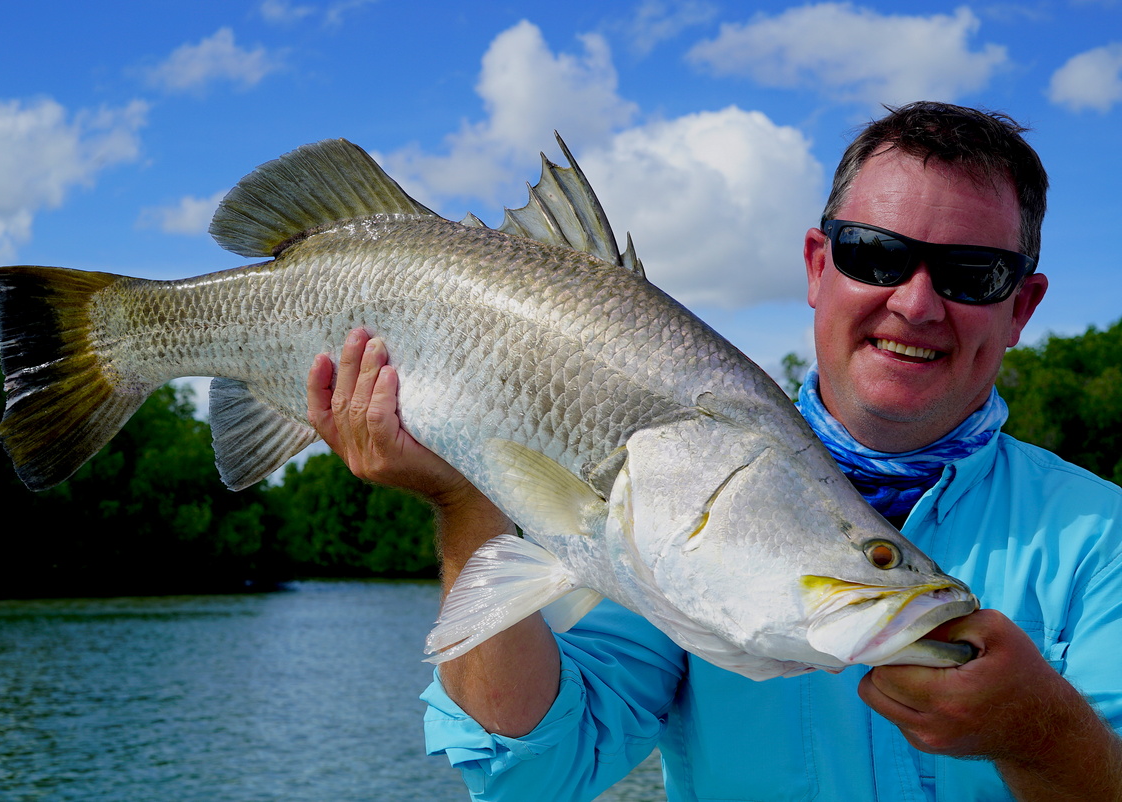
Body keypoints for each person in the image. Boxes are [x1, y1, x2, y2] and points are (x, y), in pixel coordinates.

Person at [306, 102, 1122, 801]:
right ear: (816, 264)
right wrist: (465, 500)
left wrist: (1042, 733)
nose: (913, 304)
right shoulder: (667, 508)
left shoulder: (1103, 537)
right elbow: (532, 775)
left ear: (1022, 307)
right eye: (874, 254)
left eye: (971, 274)